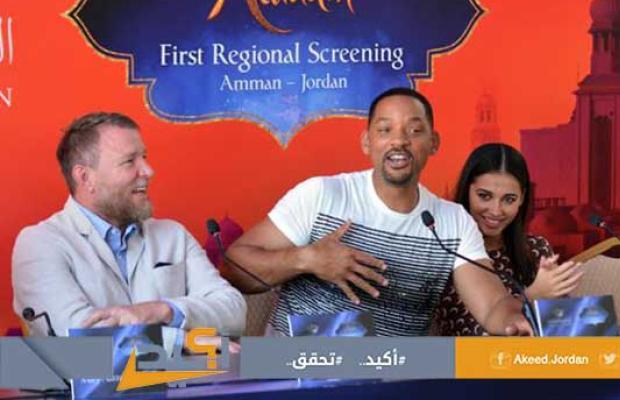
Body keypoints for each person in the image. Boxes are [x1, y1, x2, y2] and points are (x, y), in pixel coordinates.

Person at [224, 88, 532, 336]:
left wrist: (513, 320)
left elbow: (492, 305)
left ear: (433, 143)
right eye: (385, 130)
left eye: (414, 130)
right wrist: (306, 259)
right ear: (367, 142)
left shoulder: (453, 223)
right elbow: (235, 267)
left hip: (392, 376)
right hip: (297, 369)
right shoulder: (321, 195)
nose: (399, 141)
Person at [12, 112, 246, 336]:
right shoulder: (39, 243)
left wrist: (162, 310)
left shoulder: (173, 234)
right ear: (85, 177)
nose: (148, 171)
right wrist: (183, 341)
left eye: (144, 157)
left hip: (190, 367)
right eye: (129, 161)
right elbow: (81, 338)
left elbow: (234, 312)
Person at [433, 143, 583, 336]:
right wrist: (531, 297)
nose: (496, 211)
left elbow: (566, 330)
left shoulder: (536, 248)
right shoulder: (445, 250)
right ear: (467, 190)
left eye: (509, 199)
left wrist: (556, 297)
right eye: (484, 196)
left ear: (522, 198)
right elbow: (474, 335)